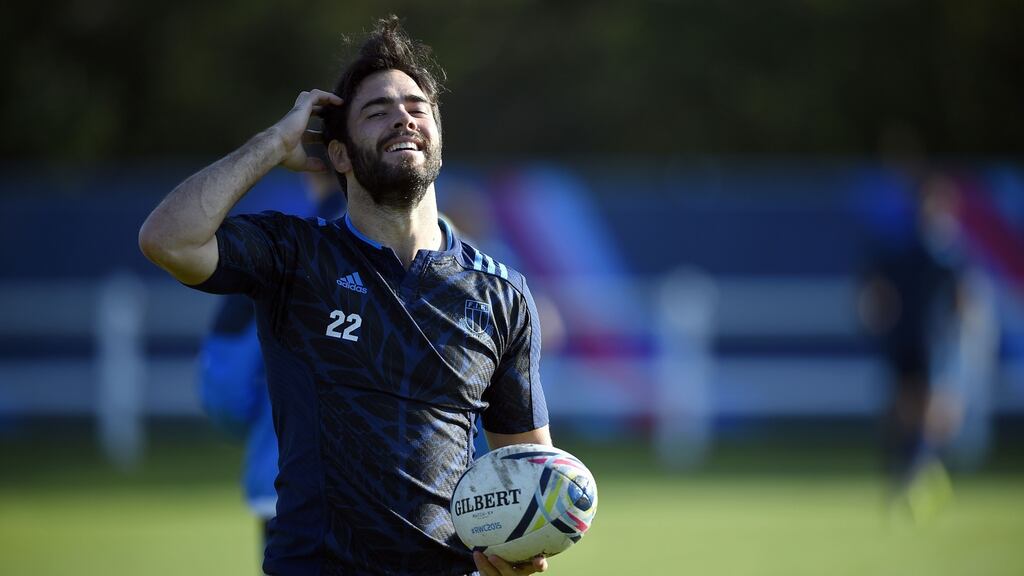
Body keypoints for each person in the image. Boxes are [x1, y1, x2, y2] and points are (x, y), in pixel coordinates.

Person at [139, 15, 551, 576]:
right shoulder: (292, 255)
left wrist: (524, 550)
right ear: (338, 154)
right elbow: (168, 239)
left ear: (437, 134)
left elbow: (524, 467)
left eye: (416, 106)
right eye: (377, 111)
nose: (403, 117)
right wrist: (273, 144)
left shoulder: (502, 293)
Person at [197, 171, 344, 553]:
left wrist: (271, 428)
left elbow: (225, 393)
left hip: (289, 484)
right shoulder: (448, 246)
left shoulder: (276, 250)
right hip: (421, 501)